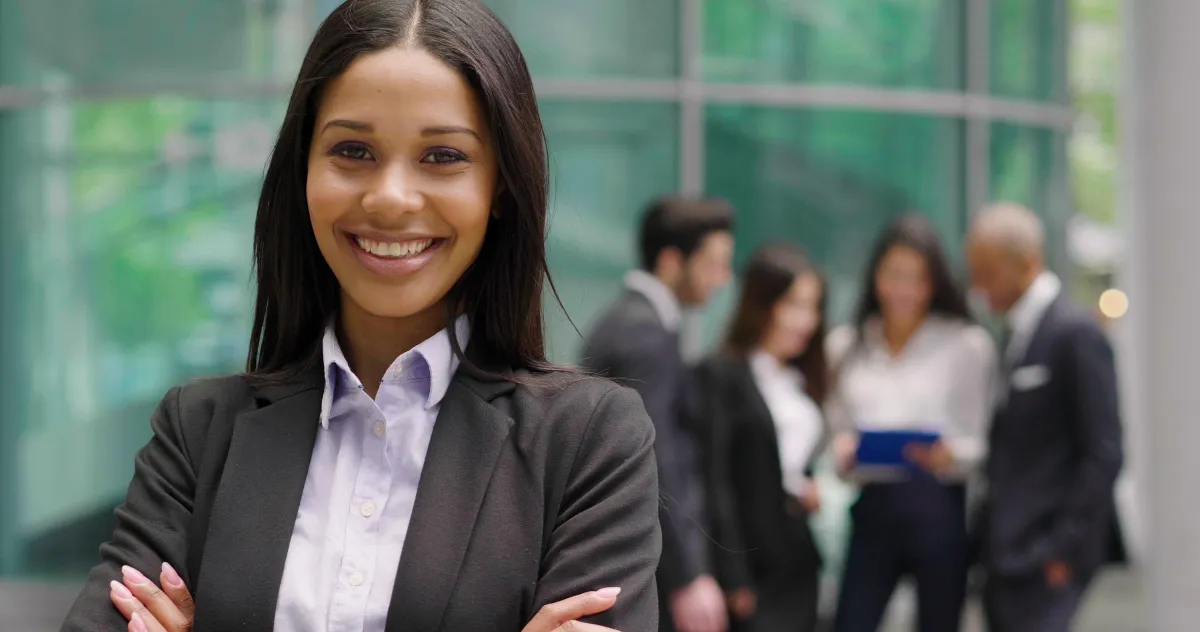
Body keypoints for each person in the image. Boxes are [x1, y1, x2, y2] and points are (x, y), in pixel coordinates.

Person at [59, 1, 661, 631]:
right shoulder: (198, 433)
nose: (391, 198)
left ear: (500, 187)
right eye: (353, 150)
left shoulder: (589, 443)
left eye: (443, 157)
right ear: (304, 171)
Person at [827, 214, 995, 632]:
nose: (903, 289)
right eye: (894, 275)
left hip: (937, 507)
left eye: (916, 278)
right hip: (873, 509)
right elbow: (837, 431)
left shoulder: (966, 344)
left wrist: (949, 453)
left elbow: (981, 440)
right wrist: (843, 452)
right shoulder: (846, 346)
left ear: (934, 282)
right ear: (875, 277)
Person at [965, 203, 1123, 632]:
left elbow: (1104, 451)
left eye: (988, 270)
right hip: (1005, 554)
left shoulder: (1075, 333)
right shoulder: (1013, 333)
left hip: (1043, 556)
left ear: (1028, 262)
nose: (979, 285)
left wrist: (1062, 549)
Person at [581, 196, 735, 632]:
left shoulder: (631, 320)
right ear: (671, 261)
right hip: (640, 561)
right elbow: (656, 456)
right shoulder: (645, 334)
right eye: (715, 263)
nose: (723, 278)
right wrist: (688, 576)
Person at [693, 244, 828, 632]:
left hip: (798, 557)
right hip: (752, 565)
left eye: (814, 307)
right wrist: (732, 574)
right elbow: (716, 480)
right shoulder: (722, 373)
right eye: (793, 305)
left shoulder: (800, 379)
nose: (806, 321)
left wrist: (807, 484)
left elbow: (788, 459)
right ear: (761, 303)